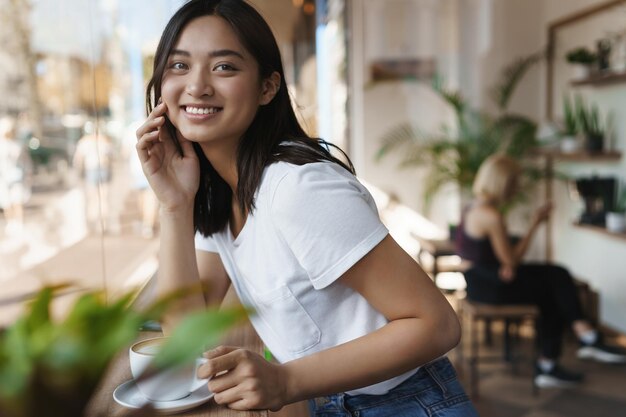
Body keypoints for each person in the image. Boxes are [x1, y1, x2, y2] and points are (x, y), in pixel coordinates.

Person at [135, 1, 478, 415]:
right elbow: (185, 337)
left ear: (268, 87)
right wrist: (174, 205)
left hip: (409, 404)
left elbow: (437, 324)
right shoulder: (218, 194)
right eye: (179, 66)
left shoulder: (297, 187)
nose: (198, 86)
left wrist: (286, 380)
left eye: (224, 67)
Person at [456, 154, 626, 389]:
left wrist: (505, 263)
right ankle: (576, 343)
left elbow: (483, 253)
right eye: (514, 182)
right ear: (502, 182)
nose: (517, 188)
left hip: (481, 280)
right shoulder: (490, 215)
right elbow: (512, 260)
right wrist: (536, 223)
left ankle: (569, 349)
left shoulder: (473, 207)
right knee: (555, 283)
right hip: (491, 286)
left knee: (555, 278)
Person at [73, 121, 114, 233]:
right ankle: (103, 225)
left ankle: (93, 223)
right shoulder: (105, 140)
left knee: (92, 198)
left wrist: (79, 172)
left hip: (91, 169)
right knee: (103, 198)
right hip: (103, 169)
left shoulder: (84, 141)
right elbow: (110, 157)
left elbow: (78, 158)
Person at [0, 116, 32, 236]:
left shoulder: (16, 145)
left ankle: (17, 223)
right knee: (9, 202)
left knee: (13, 201)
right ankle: (14, 222)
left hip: (13, 177)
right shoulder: (16, 145)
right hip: (8, 177)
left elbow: (25, 161)